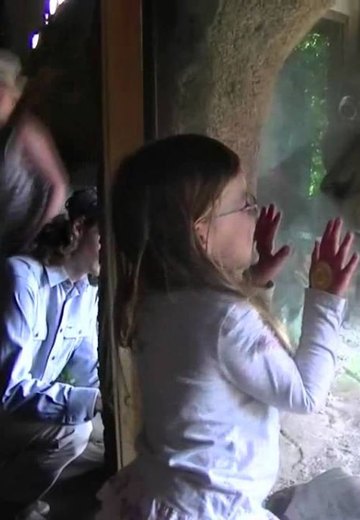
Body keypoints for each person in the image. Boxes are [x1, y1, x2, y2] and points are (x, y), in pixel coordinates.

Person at [95, 134, 360, 519]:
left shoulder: (156, 299)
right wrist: (326, 301)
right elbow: (304, 394)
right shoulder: (226, 318)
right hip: (213, 508)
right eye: (245, 204)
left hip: (158, 496)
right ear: (201, 233)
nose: (257, 212)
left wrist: (254, 279)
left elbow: (210, 356)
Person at [0, 187, 104, 520]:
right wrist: (91, 402)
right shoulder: (21, 277)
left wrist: (116, 400)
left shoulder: (86, 294)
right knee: (74, 431)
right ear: (79, 228)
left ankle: (20, 483)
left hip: (24, 414)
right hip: (6, 409)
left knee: (113, 435)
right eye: (106, 236)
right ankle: (12, 504)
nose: (116, 248)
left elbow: (88, 368)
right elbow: (8, 391)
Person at [0, 49, 69, 256]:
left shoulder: (26, 129)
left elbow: (59, 184)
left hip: (31, 246)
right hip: (9, 242)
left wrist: (39, 238)